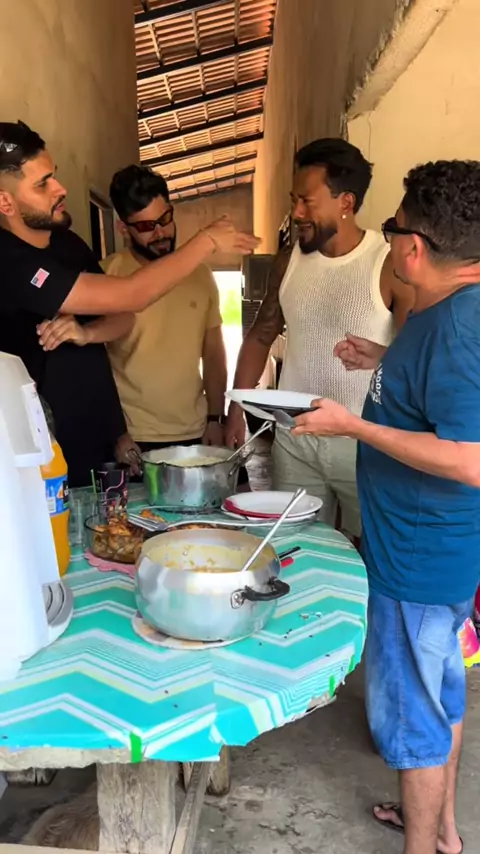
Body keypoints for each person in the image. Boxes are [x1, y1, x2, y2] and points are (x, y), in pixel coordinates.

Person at [292, 159, 480, 854]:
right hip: (432, 558)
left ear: (414, 247)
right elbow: (440, 397)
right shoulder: (444, 311)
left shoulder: (459, 327)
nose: (389, 239)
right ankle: (442, 831)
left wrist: (354, 426)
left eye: (395, 229)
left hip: (417, 566)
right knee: (441, 698)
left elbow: (470, 458)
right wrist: (384, 360)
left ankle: (423, 845)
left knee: (412, 722)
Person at [0, 121, 258, 485]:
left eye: (53, 175)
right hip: (42, 452)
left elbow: (124, 315)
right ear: (5, 202)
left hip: (95, 440)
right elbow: (133, 294)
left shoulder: (68, 244)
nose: (60, 188)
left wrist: (86, 334)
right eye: (43, 183)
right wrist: (207, 241)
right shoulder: (10, 262)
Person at [226, 138, 413, 540]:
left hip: (365, 442)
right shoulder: (288, 261)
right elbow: (260, 336)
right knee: (294, 546)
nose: (297, 213)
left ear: (346, 202)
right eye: (294, 201)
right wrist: (235, 410)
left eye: (307, 202)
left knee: (370, 550)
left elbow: (415, 356)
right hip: (295, 439)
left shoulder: (387, 263)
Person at [102, 165, 228, 453]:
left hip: (195, 430)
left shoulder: (201, 275)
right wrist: (115, 432)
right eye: (146, 227)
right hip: (132, 436)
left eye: (165, 219)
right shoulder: (106, 276)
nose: (160, 233)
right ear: (123, 228)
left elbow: (213, 354)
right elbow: (93, 365)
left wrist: (215, 418)